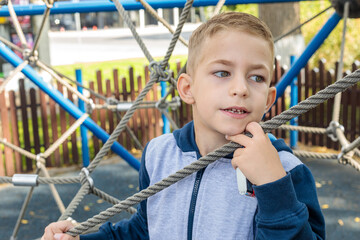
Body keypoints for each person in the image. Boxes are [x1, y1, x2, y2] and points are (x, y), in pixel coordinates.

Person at [41, 12, 325, 240]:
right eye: (223, 72)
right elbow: (146, 229)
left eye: (257, 78)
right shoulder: (159, 154)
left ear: (269, 99)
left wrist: (274, 186)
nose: (240, 88)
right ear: (188, 89)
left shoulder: (287, 170)